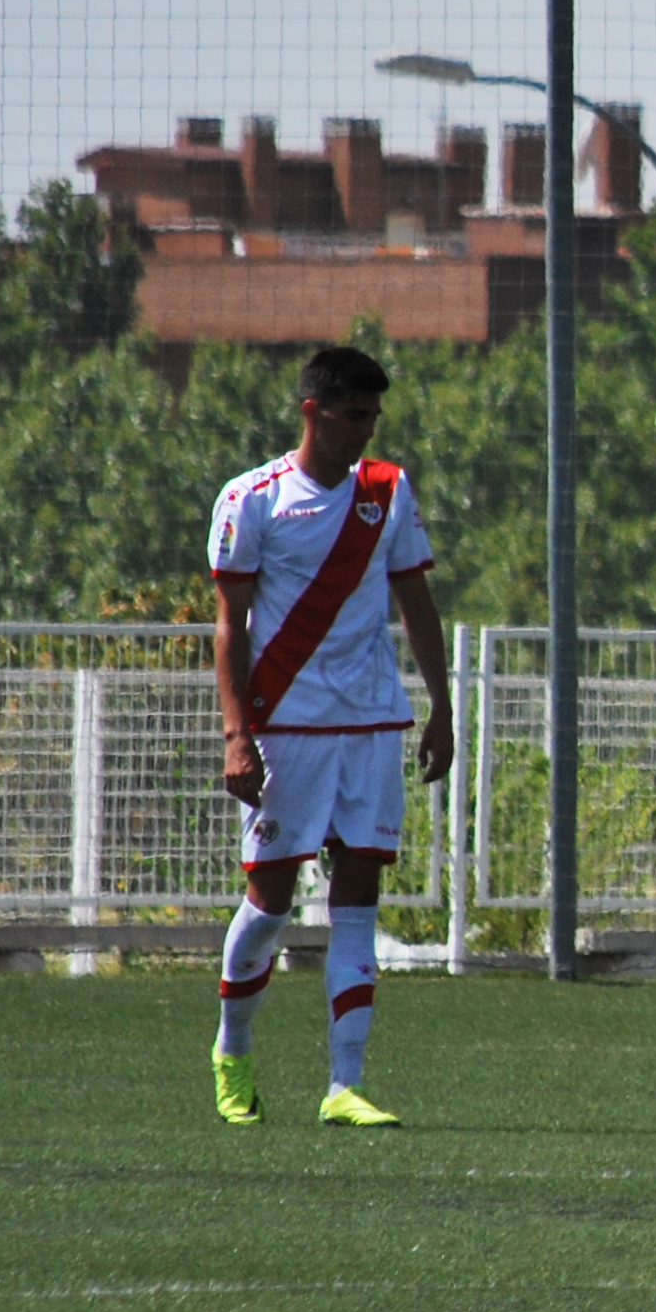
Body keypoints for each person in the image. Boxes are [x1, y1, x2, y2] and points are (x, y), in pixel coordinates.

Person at [206, 346, 453, 1128]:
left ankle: (345, 1084)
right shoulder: (253, 500)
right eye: (355, 417)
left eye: (375, 418)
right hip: (289, 730)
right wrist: (237, 733)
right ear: (313, 412)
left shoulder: (390, 491)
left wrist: (440, 706)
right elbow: (229, 628)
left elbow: (416, 603)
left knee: (359, 900)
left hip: (372, 725)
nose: (366, 432)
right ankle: (232, 1049)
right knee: (272, 901)